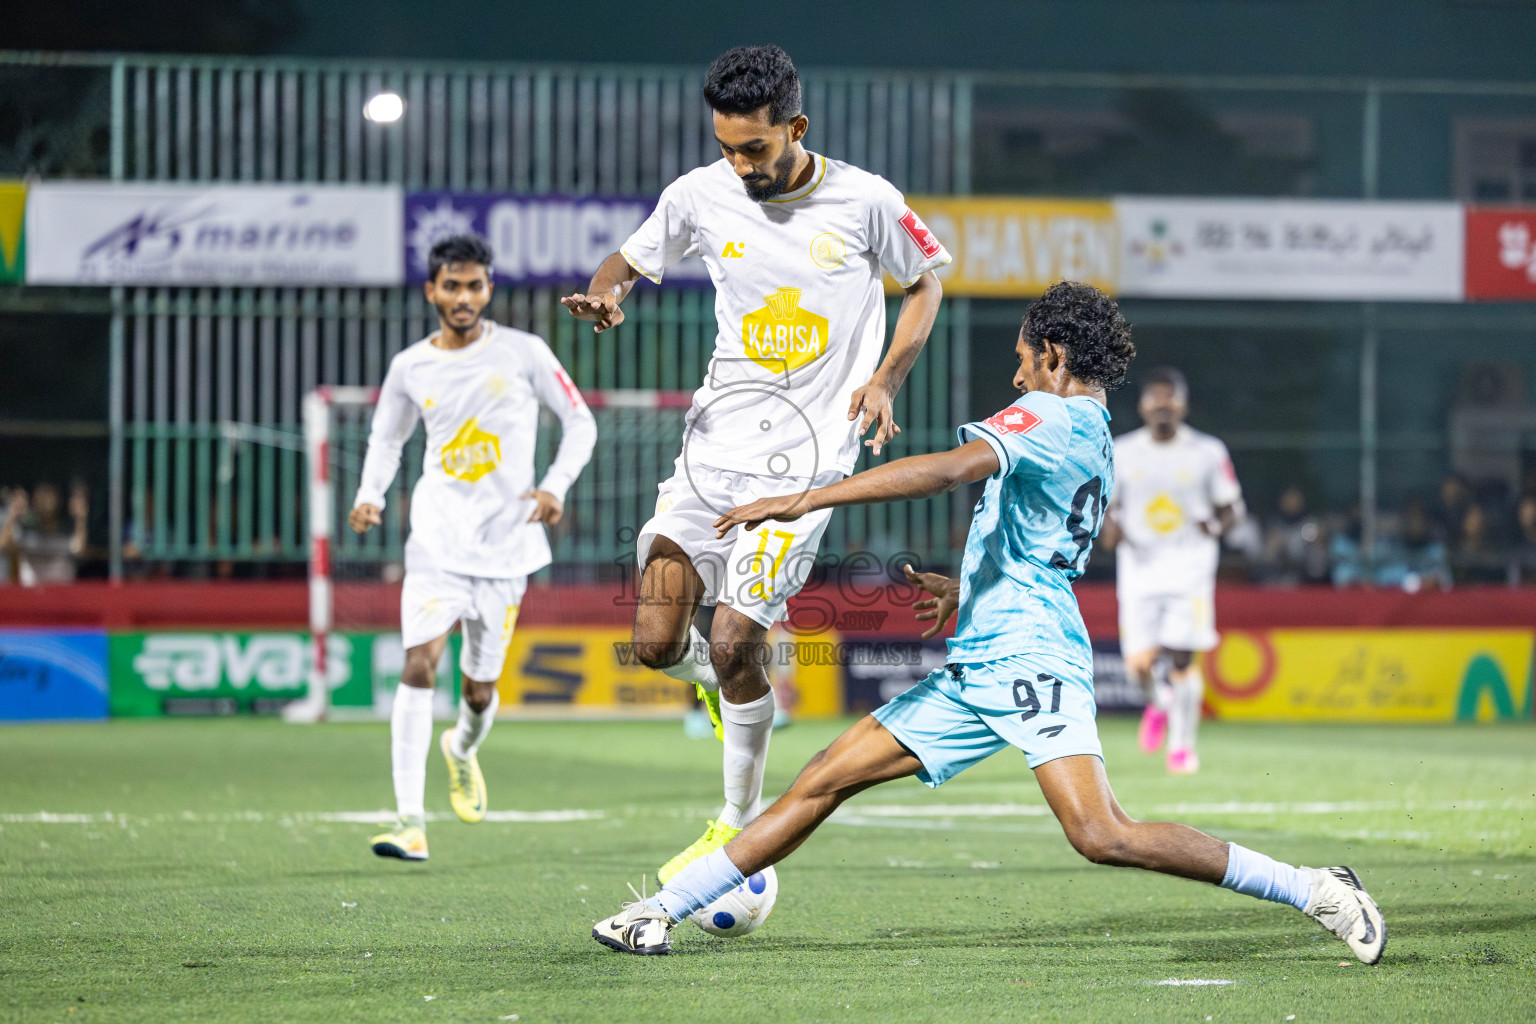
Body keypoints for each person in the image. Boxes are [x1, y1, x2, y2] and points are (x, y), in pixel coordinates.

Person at [590, 282, 1385, 966]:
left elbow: (944, 471)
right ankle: (656, 911)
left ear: (1055, 358)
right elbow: (1039, 546)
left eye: (1022, 357)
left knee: (1102, 833)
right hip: (987, 652)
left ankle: (1315, 890)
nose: (1016, 372)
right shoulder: (1099, 435)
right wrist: (967, 590)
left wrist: (803, 498)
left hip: (1030, 653)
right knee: (825, 777)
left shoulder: (1054, 417)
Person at [561, 44, 950, 883]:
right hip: (710, 456)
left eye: (755, 150)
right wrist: (609, 293)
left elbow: (927, 283)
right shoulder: (699, 192)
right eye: (727, 146)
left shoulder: (866, 199)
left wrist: (886, 378)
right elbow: (626, 259)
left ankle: (736, 828)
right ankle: (724, 689)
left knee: (737, 636)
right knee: (659, 641)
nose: (739, 165)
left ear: (796, 128)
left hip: (802, 474)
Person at [351, 235, 596, 861]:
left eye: (475, 286)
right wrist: (370, 493)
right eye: (452, 286)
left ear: (488, 289)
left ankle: (461, 747)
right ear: (431, 290)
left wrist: (554, 486)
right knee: (419, 662)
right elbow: (386, 439)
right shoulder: (411, 366)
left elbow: (580, 422)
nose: (464, 297)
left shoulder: (524, 352)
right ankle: (410, 821)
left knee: (480, 691)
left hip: (506, 546)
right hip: (436, 537)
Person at [1100, 367, 1243, 775]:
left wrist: (1215, 526)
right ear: (1143, 405)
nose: (1163, 404)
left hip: (1190, 572)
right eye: (1155, 397)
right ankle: (1158, 705)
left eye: (1171, 397)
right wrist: (1111, 530)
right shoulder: (1122, 451)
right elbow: (1106, 508)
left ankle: (1182, 748)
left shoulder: (1207, 451)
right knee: (1138, 668)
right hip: (1140, 573)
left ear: (1184, 404)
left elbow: (1233, 507)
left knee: (1183, 660)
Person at [0, 482, 89, 585]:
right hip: (31, 596)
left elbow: (80, 550)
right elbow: (3, 546)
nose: (46, 499)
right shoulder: (25, 532)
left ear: (59, 499)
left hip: (63, 596)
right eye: (41, 494)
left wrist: (80, 519)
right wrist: (13, 515)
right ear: (33, 500)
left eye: (49, 493)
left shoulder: (67, 532)